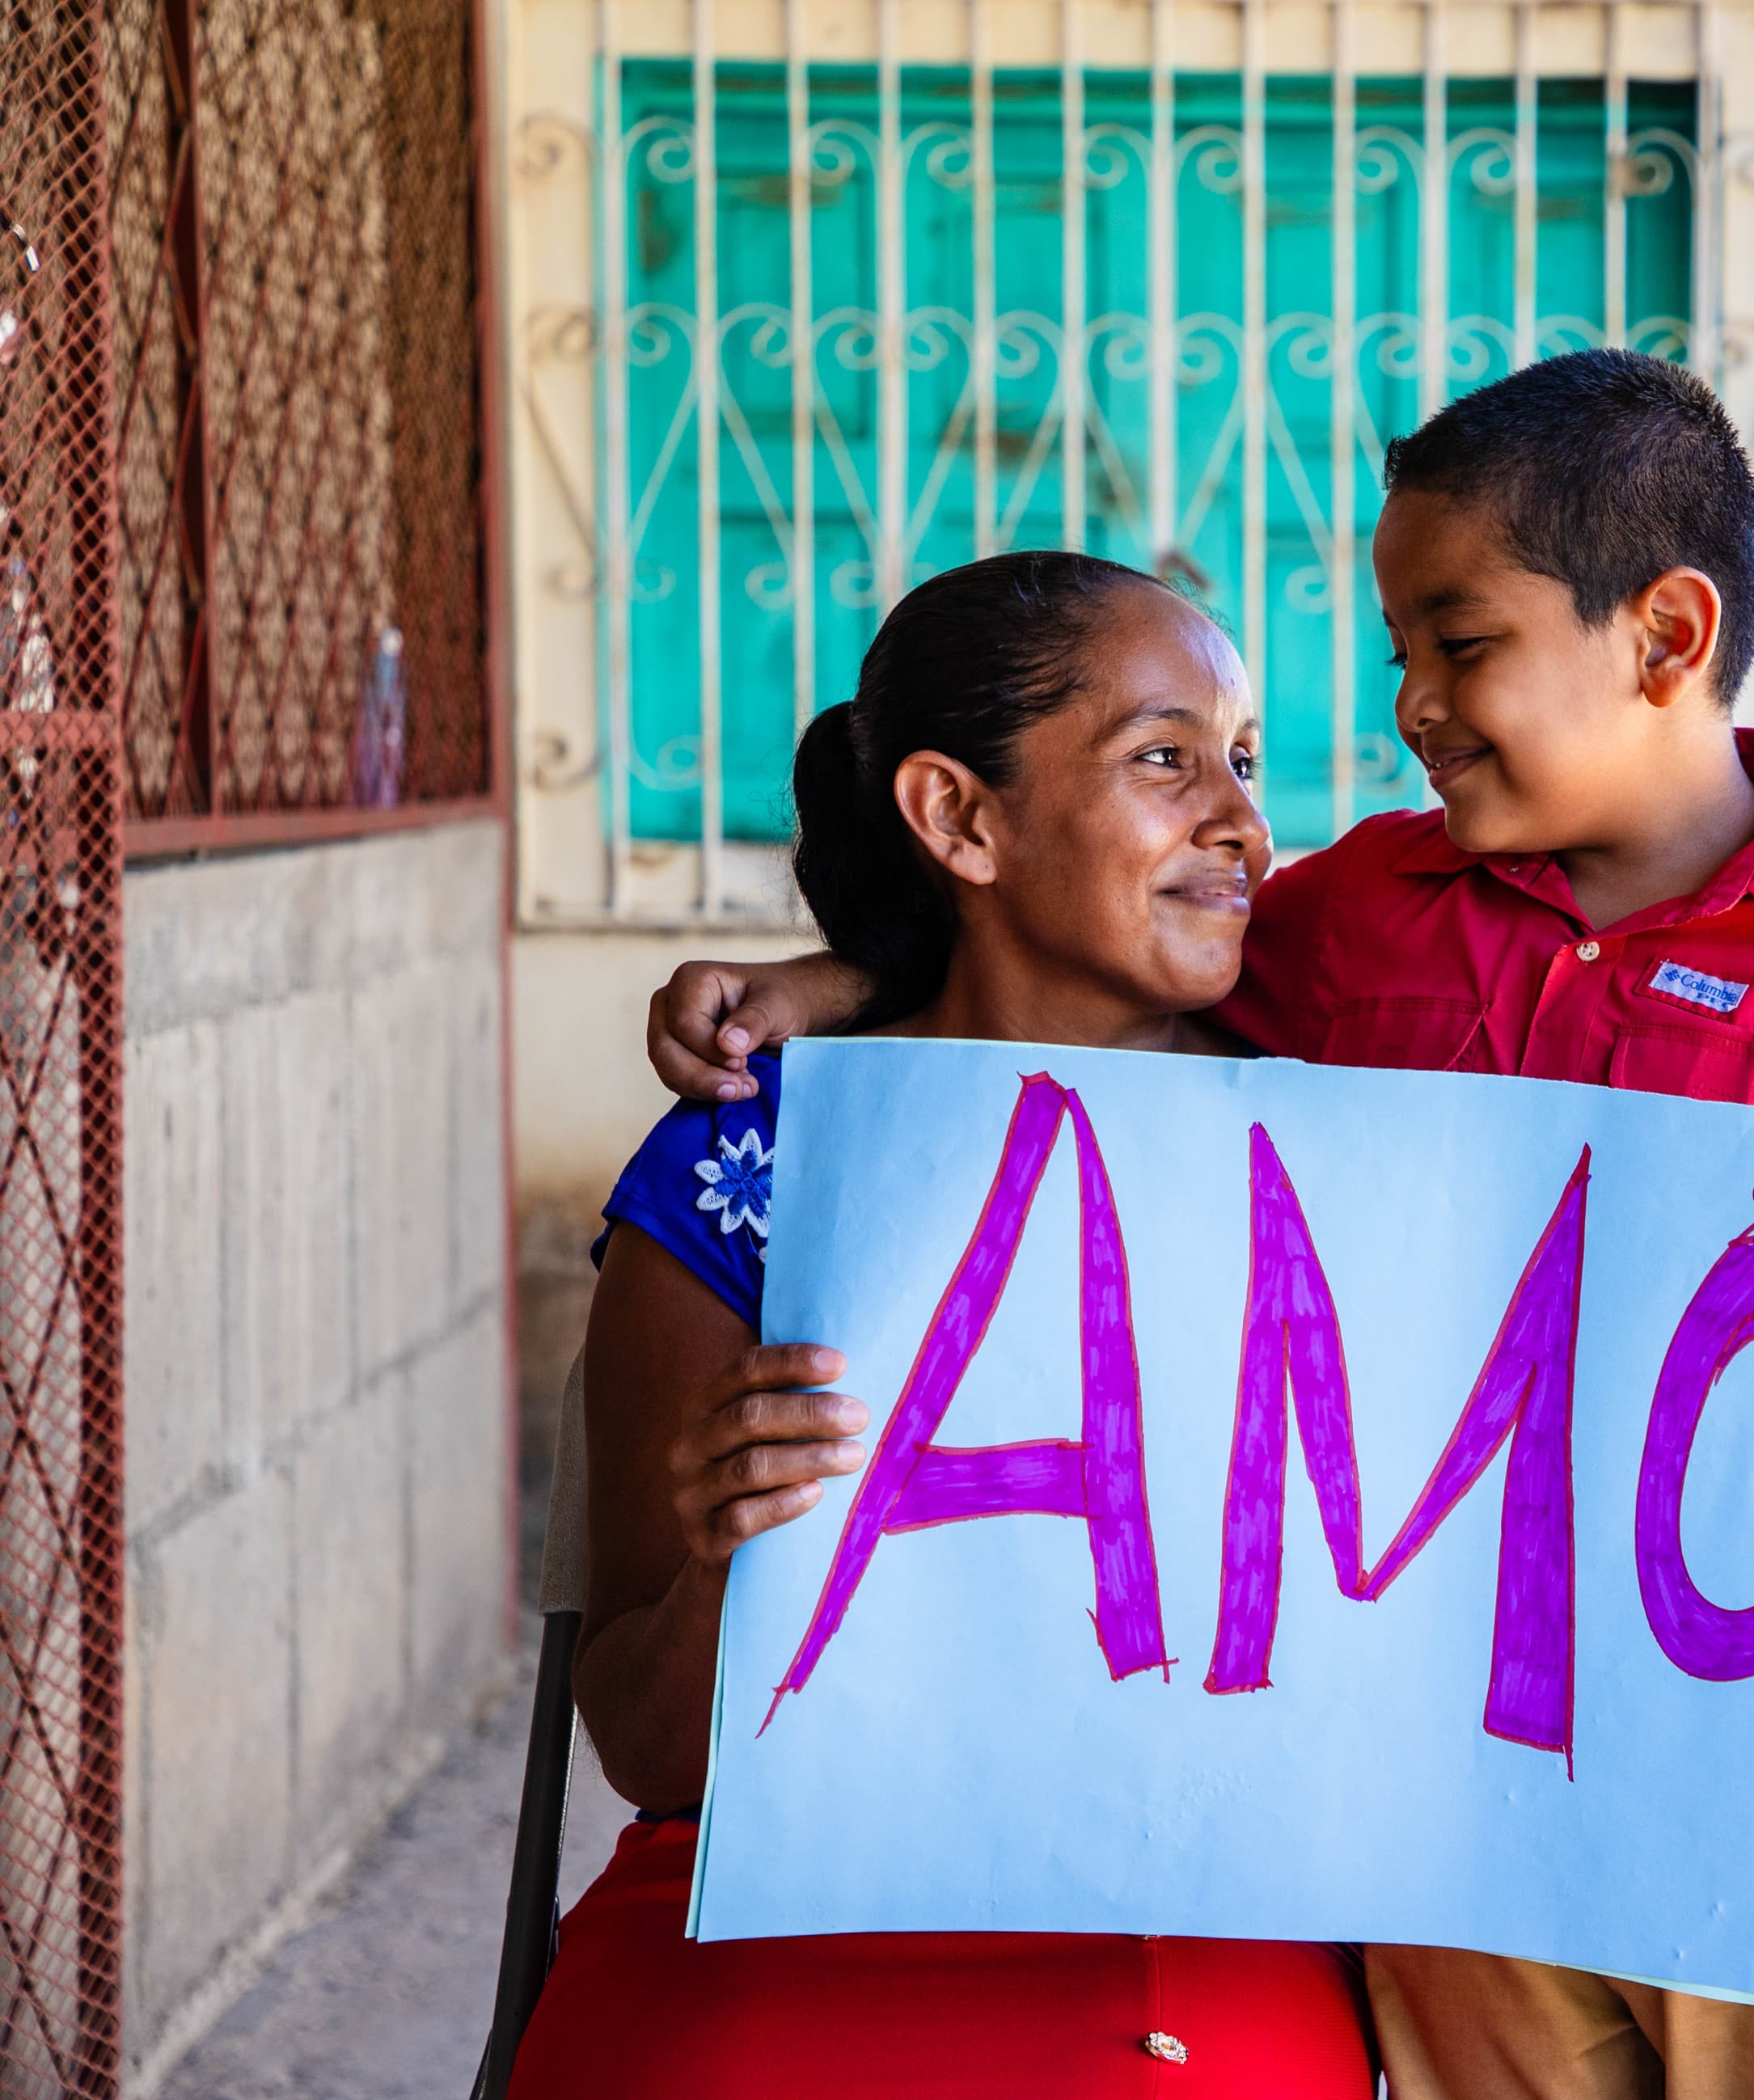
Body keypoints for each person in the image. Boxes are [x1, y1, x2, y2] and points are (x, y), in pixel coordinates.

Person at [641, 349, 1754, 2100]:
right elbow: (1092, 966)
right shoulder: (1361, 922)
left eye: (1460, 643)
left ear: (1666, 636)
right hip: (1464, 1834)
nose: (1410, 700)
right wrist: (845, 982)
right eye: (1402, 649)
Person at [514, 553, 1379, 2100]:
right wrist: (741, 1565)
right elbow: (651, 1752)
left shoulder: (1341, 1129)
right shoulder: (754, 1163)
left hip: (1184, 1905)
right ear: (958, 817)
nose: (1247, 821)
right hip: (772, 1892)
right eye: (1166, 758)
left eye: (1244, 761)